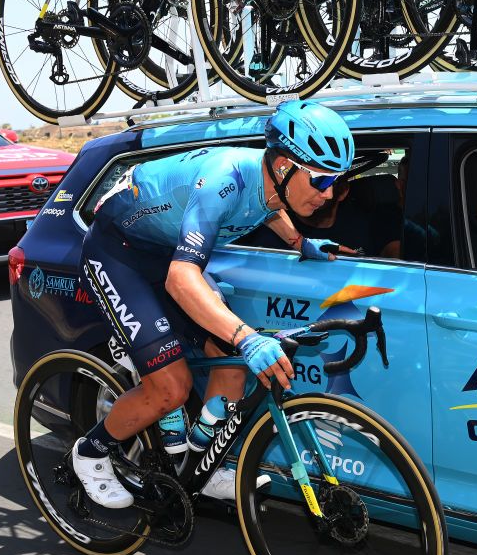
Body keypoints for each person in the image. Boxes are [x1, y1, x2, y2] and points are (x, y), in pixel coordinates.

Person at [73, 100, 355, 508]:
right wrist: (248, 338)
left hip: (165, 251)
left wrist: (300, 243)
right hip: (118, 253)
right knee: (171, 388)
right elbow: (181, 278)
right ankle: (91, 452)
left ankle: (206, 465)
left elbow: (268, 208)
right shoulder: (222, 181)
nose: (329, 195)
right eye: (323, 182)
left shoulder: (272, 184)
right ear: (282, 167)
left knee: (229, 364)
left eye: (338, 183)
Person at [243, 171, 399, 256]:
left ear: (343, 192)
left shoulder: (367, 224)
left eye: (330, 184)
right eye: (317, 181)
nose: (327, 194)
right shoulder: (268, 232)